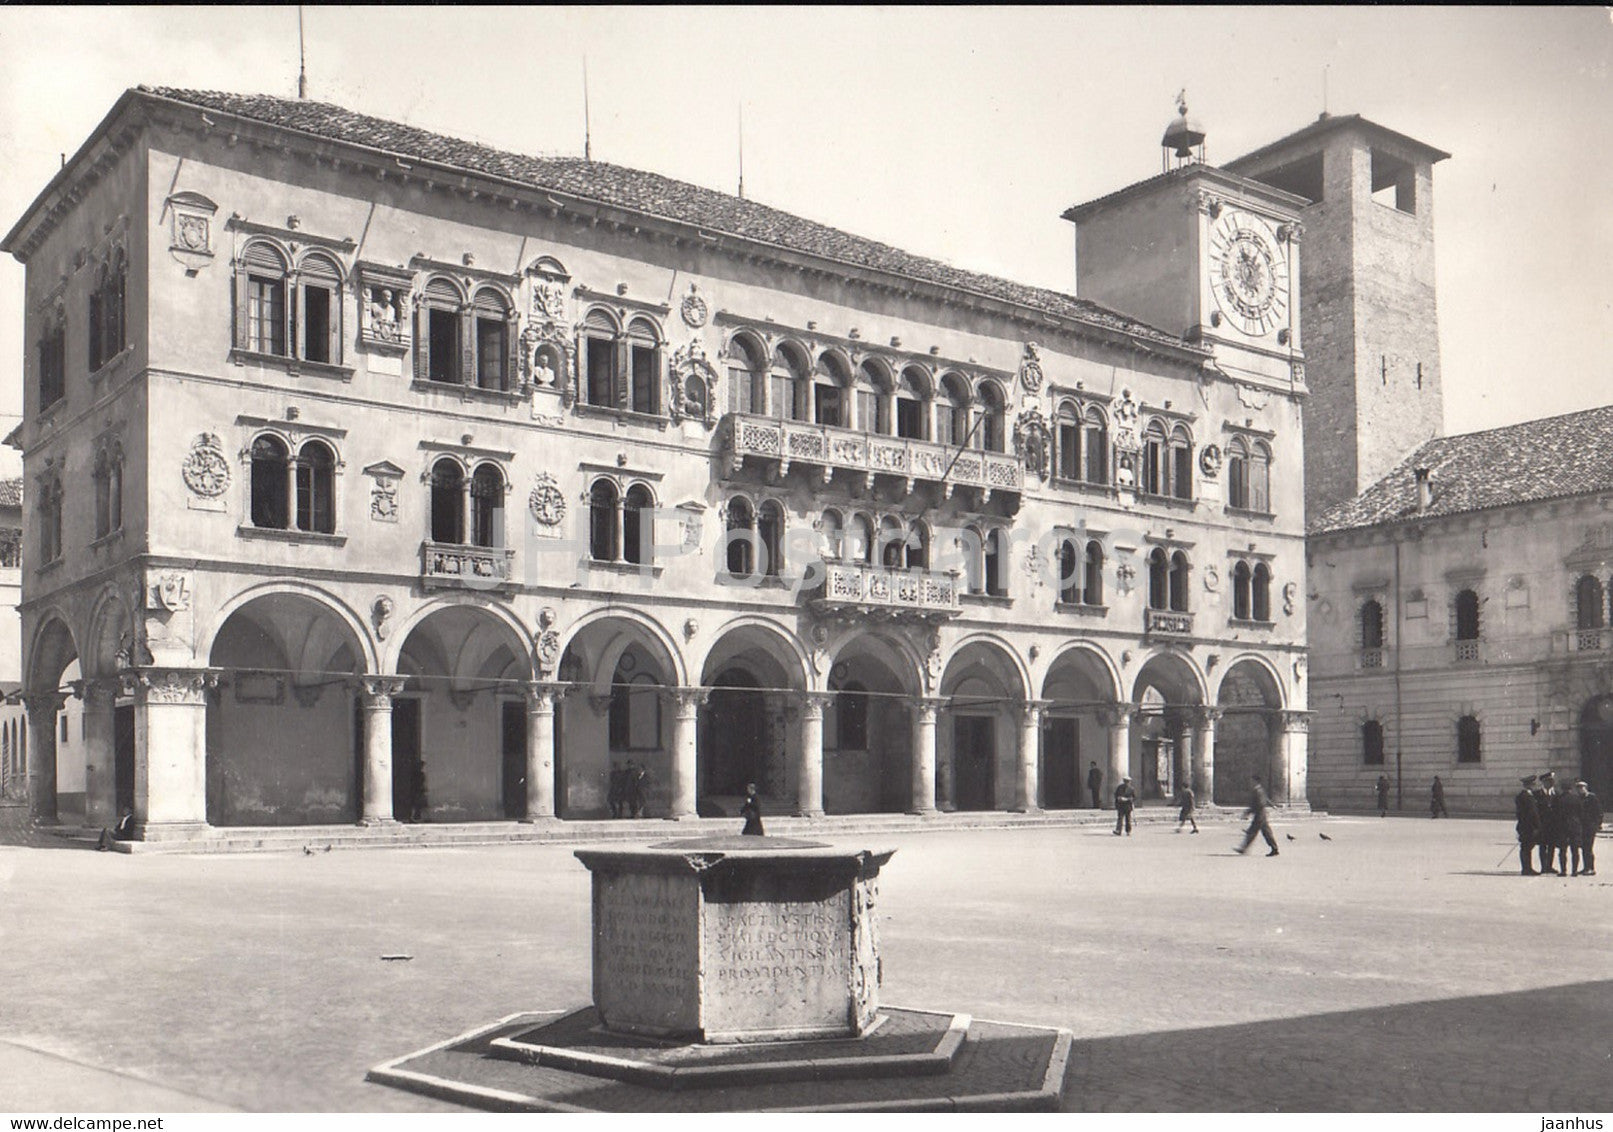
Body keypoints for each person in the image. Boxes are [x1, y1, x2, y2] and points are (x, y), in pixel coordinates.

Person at [1236, 775, 1279, 857]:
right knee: (1266, 833)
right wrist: (1272, 805)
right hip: (1261, 814)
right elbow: (1266, 799)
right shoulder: (1259, 790)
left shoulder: (1258, 791)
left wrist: (1249, 812)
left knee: (1253, 832)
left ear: (1255, 781)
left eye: (1252, 780)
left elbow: (1260, 803)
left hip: (1260, 815)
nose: (1250, 782)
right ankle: (1274, 848)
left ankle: (1244, 848)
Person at [1556, 777, 1585, 877]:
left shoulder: (1559, 799)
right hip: (1575, 826)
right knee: (1575, 850)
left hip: (1562, 826)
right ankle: (1574, 871)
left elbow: (1556, 814)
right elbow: (1581, 813)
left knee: (1562, 850)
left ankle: (1563, 870)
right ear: (1571, 789)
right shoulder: (1576, 799)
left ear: (1562, 788)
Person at [1514, 775, 1541, 876]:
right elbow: (1531, 813)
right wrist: (1536, 825)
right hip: (1528, 826)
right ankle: (1526, 869)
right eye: (1532, 784)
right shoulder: (1526, 797)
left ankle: (1527, 867)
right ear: (1529, 785)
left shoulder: (1525, 795)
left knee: (1527, 847)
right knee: (1526, 847)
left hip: (1524, 826)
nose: (1534, 786)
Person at [1535, 772, 1559, 874]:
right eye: (1548, 781)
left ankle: (1549, 866)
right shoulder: (1537, 794)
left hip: (1553, 826)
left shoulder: (1556, 794)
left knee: (1552, 846)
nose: (1551, 783)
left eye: (1552, 781)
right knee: (1542, 845)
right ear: (1543, 782)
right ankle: (1543, 866)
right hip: (1542, 825)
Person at [1577, 780, 1600, 877]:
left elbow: (1598, 811)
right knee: (1584, 848)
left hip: (1590, 826)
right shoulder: (1579, 798)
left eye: (1581, 787)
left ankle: (1591, 868)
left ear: (1585, 788)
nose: (1580, 790)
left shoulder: (1592, 797)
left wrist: (1597, 824)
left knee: (1588, 848)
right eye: (1578, 788)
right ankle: (1586, 867)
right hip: (1582, 826)